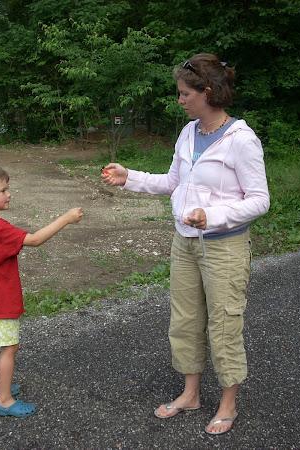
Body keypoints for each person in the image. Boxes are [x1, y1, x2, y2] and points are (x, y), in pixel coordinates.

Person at [101, 53, 270, 435]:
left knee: (225, 324)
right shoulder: (189, 132)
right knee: (185, 320)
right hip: (185, 243)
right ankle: (190, 393)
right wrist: (129, 177)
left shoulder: (241, 140)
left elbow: (260, 200)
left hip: (224, 247)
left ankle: (228, 403)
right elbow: (172, 182)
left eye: (184, 93)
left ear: (206, 93)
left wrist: (213, 217)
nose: (179, 100)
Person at [0, 165, 84, 418]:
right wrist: (66, 218)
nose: (9, 194)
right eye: (3, 190)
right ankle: (4, 400)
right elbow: (35, 239)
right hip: (0, 298)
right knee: (9, 347)